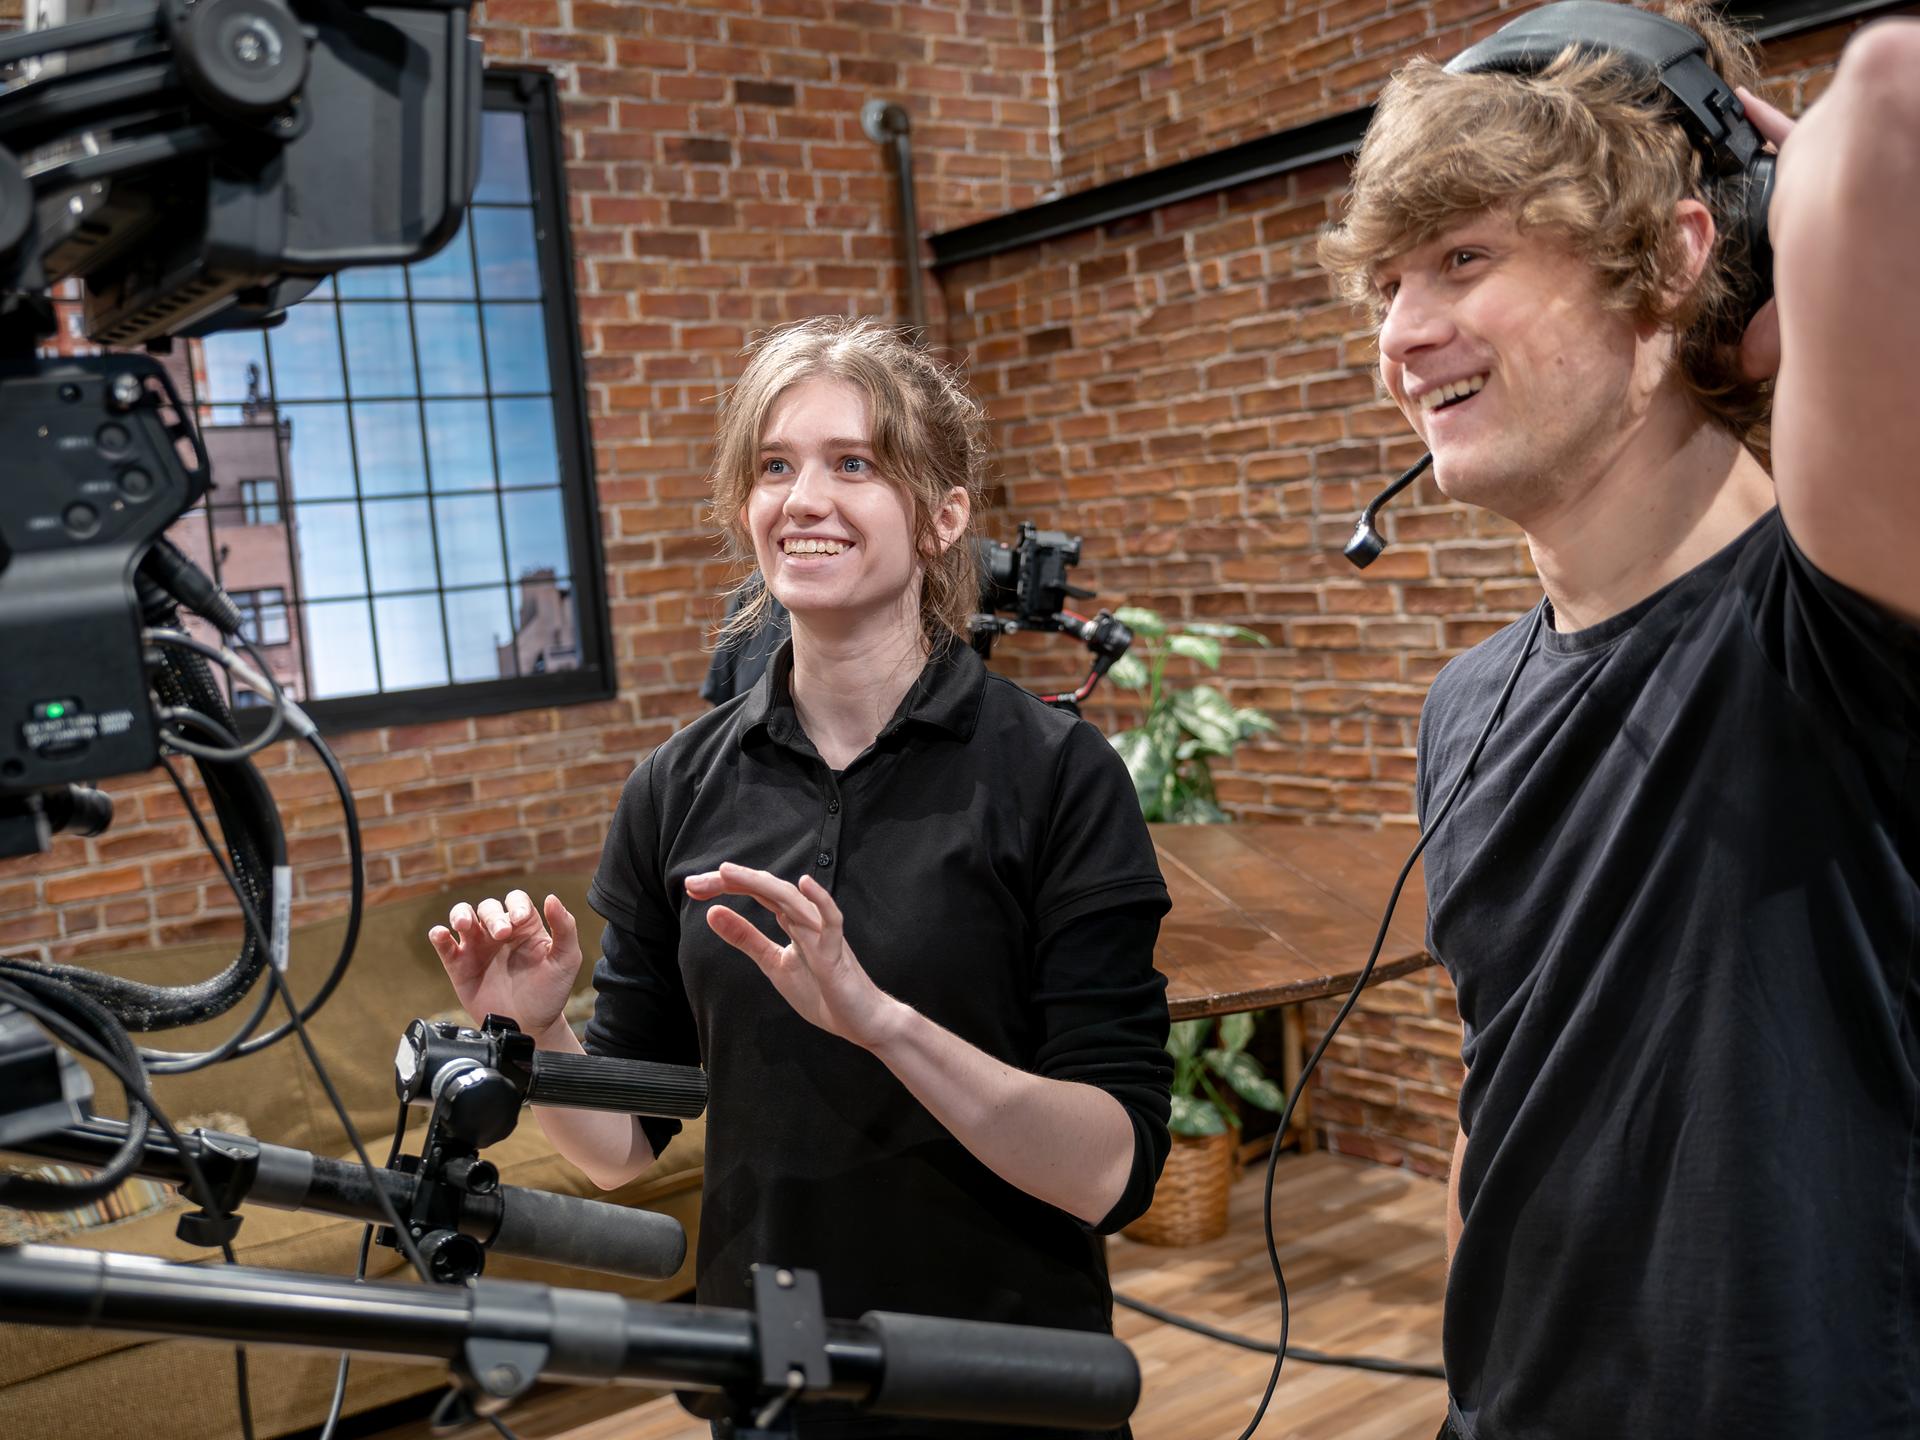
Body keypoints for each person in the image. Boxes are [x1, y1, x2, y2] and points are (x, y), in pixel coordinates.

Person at [1318, 5, 1918, 1438]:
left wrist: (1798, 208)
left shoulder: (1837, 615)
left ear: (1672, 266)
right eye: (1392, 281)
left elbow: (1895, 90)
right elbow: (1504, 1102)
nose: (1405, 334)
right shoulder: (1465, 706)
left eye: (1464, 257)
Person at [428, 316, 1173, 1438]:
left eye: (855, 465)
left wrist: (879, 1021)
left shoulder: (1057, 776)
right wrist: (536, 1040)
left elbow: (1110, 1170)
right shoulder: (675, 790)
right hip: (767, 1382)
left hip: (1006, 1382)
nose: (804, 498)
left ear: (943, 516)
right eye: (775, 466)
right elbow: (628, 1154)